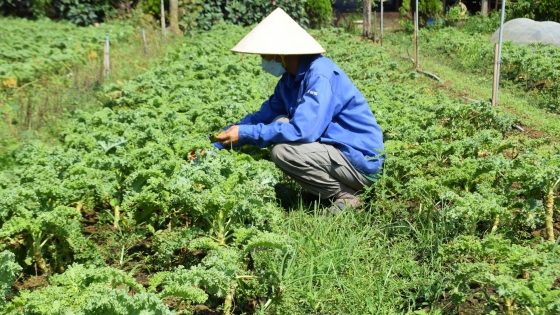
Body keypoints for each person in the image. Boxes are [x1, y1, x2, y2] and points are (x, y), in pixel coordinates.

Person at [214, 8, 384, 213]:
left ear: (280, 53)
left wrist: (247, 134)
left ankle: (346, 195)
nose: (262, 59)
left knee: (283, 151)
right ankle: (322, 189)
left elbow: (303, 131)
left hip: (358, 160)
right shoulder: (289, 81)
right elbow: (263, 116)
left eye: (264, 54)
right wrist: (219, 143)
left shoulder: (320, 76)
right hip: (333, 151)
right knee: (279, 122)